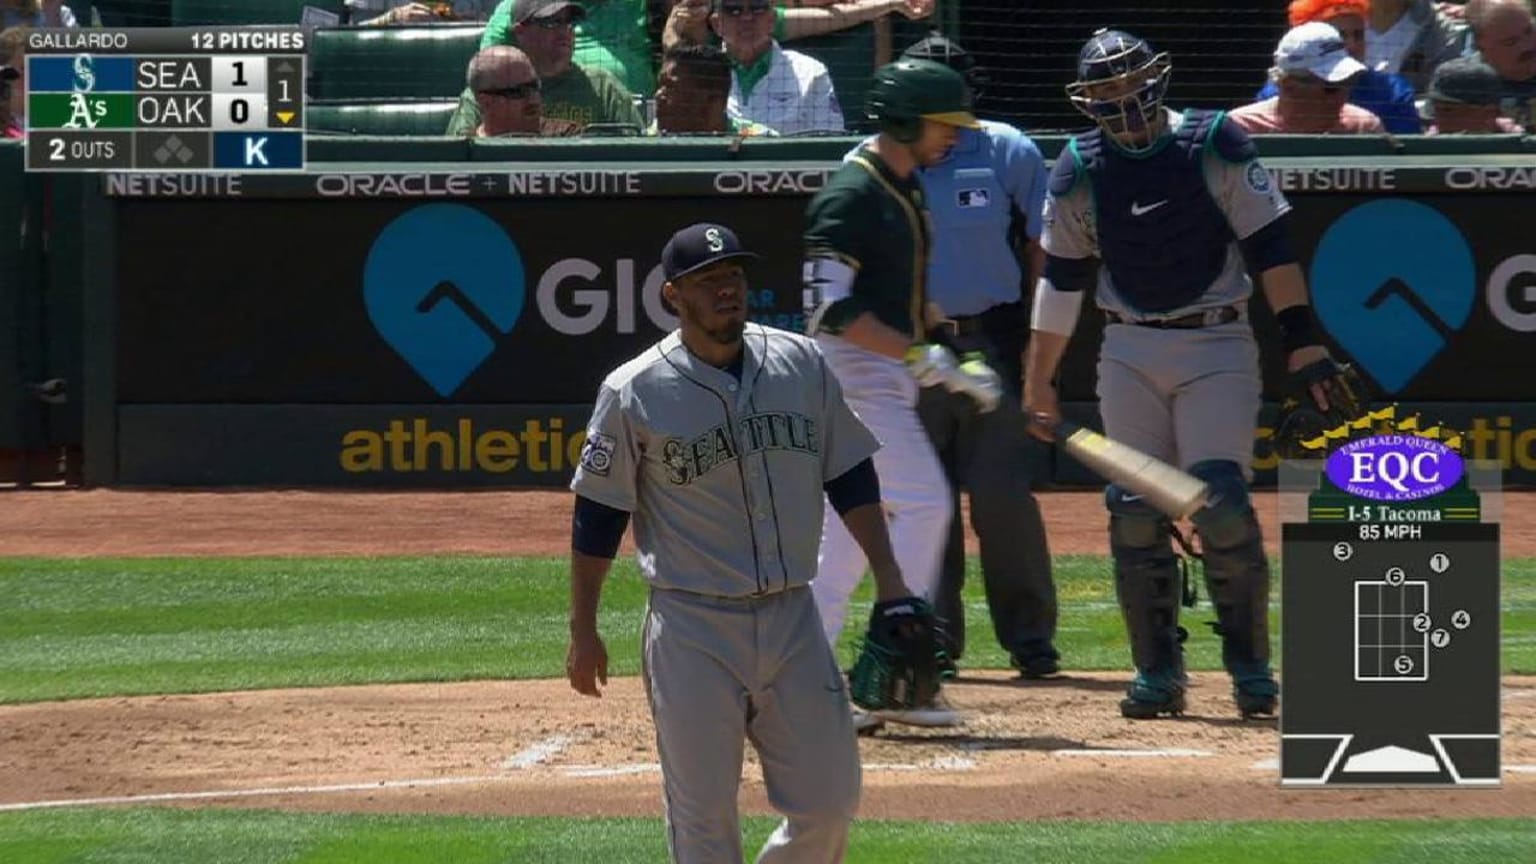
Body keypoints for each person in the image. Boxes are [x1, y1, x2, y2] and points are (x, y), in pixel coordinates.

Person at [567, 222, 919, 862]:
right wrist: (584, 629)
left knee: (829, 804)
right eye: (708, 281)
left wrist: (892, 582)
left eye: (733, 275)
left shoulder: (800, 362)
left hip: (792, 618)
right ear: (674, 296)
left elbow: (848, 472)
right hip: (692, 626)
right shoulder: (633, 390)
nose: (727, 290)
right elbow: (597, 515)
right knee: (703, 822)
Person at [1023, 29, 1339, 720]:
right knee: (1135, 507)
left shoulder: (1214, 141)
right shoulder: (1079, 166)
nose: (1123, 100)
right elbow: (1064, 278)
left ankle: (1250, 665)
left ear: (1157, 78)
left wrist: (1302, 342)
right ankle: (1158, 670)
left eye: (1129, 83)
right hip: (1128, 346)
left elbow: (1270, 246)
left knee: (1220, 500)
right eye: (1105, 91)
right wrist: (1038, 377)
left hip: (1216, 338)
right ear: (1087, 101)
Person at [855, 33, 1059, 680]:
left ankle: (1030, 639)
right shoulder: (872, 162)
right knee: (923, 498)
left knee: (1002, 496)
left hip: (990, 341)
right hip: (909, 352)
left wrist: (1033, 349)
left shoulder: (1007, 149)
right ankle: (934, 639)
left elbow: (1043, 248)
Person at [804, 58, 999, 730]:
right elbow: (827, 309)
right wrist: (920, 355)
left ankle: (797, 684)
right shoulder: (852, 196)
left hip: (879, 376)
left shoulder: (904, 184)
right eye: (943, 125)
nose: (952, 137)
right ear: (906, 121)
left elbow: (901, 289)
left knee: (845, 544)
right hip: (852, 380)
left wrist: (943, 339)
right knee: (925, 504)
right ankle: (901, 669)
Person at [445, 0, 643, 136]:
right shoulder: (489, 89)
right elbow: (457, 155)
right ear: (520, 32)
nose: (565, 32)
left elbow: (636, 151)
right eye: (551, 23)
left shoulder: (602, 87)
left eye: (569, 22)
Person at [1254, 2, 1420, 133]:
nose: (1352, 45)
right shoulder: (1278, 91)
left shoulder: (1393, 91)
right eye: (1340, 36)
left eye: (1358, 35)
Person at [711, 0, 845, 134]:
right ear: (717, 24)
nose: (747, 18)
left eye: (757, 8)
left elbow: (830, 141)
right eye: (733, 10)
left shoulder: (810, 71)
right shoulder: (700, 72)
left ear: (772, 19)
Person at [1231, 22, 1389, 134]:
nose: (1343, 96)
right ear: (1288, 85)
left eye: (1348, 82)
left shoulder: (1363, 128)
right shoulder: (1241, 129)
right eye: (1330, 88)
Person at [652, 41, 776, 134]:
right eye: (660, 86)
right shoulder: (644, 141)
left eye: (670, 86)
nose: (658, 95)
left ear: (714, 100)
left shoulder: (760, 142)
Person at [465, 46, 583, 136]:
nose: (533, 99)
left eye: (534, 86)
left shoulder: (567, 138)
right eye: (518, 92)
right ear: (486, 101)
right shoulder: (464, 154)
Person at [1463, 0, 1536, 128]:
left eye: (1529, 31)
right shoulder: (1461, 86)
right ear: (1482, 48)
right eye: (1510, 42)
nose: (1527, 46)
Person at [1425, 54, 1527, 129]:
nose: (1438, 120)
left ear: (1490, 112)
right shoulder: (1428, 147)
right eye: (1435, 110)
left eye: (1448, 110)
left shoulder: (1517, 150)